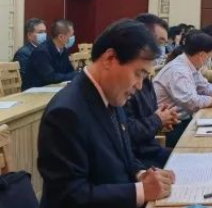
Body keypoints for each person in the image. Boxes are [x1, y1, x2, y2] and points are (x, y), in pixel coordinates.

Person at [38, 19, 175, 208]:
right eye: (138, 73)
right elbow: (70, 196)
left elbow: (125, 156)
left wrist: (142, 175)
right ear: (110, 59)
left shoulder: (112, 95)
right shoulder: (65, 114)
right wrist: (141, 191)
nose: (139, 85)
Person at [125, 13, 179, 169]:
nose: (162, 48)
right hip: (139, 159)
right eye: (160, 42)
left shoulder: (146, 79)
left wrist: (164, 119)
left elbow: (148, 117)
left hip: (151, 149)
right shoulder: (125, 82)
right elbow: (127, 132)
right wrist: (158, 120)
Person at [24, 19, 78, 90]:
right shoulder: (42, 52)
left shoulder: (63, 49)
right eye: (71, 35)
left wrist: (77, 73)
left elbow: (69, 71)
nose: (73, 37)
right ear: (61, 37)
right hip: (35, 91)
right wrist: (75, 74)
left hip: (52, 88)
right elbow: (51, 78)